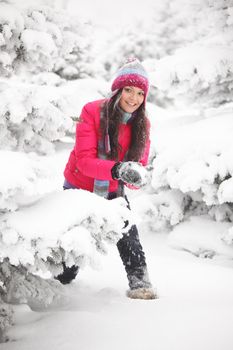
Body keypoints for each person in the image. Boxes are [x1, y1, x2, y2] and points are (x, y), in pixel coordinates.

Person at [56, 58, 157, 300]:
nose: (133, 98)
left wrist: (137, 177)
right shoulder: (92, 111)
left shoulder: (143, 124)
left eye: (140, 93)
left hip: (114, 190)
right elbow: (84, 161)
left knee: (129, 236)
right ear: (118, 90)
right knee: (75, 246)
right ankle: (62, 285)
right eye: (128, 90)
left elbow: (135, 171)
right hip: (79, 188)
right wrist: (119, 170)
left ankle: (140, 285)